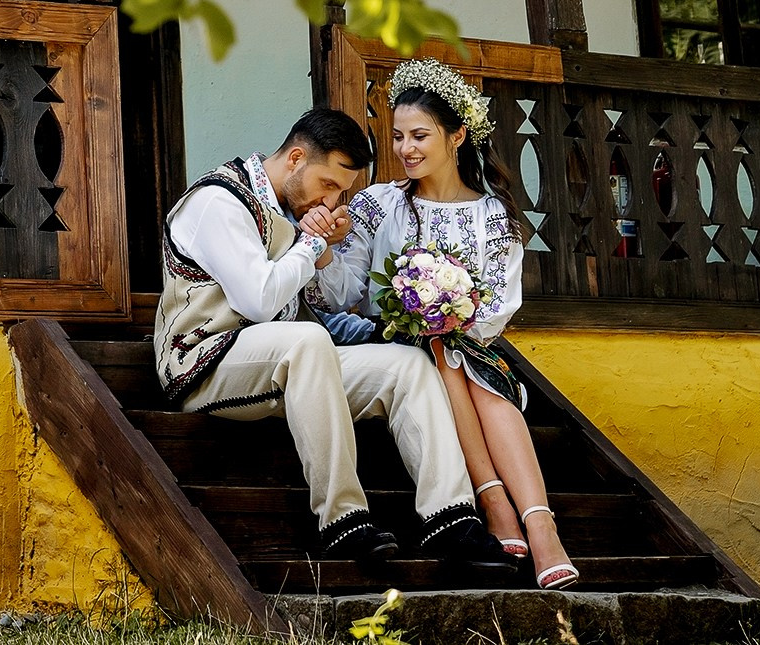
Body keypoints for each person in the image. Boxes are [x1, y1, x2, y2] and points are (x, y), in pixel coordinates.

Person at [154, 107, 510, 569]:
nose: (332, 200)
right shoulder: (218, 201)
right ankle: (342, 520)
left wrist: (330, 261)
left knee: (406, 365)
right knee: (305, 341)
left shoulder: (287, 212)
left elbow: (325, 304)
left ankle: (451, 520)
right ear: (296, 158)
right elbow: (260, 302)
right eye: (328, 185)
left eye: (341, 191)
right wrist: (309, 243)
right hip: (204, 364)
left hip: (290, 365)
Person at [314, 59, 580, 590]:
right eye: (397, 137)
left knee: (459, 359)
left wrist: (449, 319)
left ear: (457, 135)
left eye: (419, 135)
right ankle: (514, 511)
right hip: (398, 349)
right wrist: (328, 248)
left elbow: (500, 302)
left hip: (469, 348)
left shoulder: (493, 215)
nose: (406, 149)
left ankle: (526, 517)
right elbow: (337, 295)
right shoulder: (376, 205)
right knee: (442, 357)